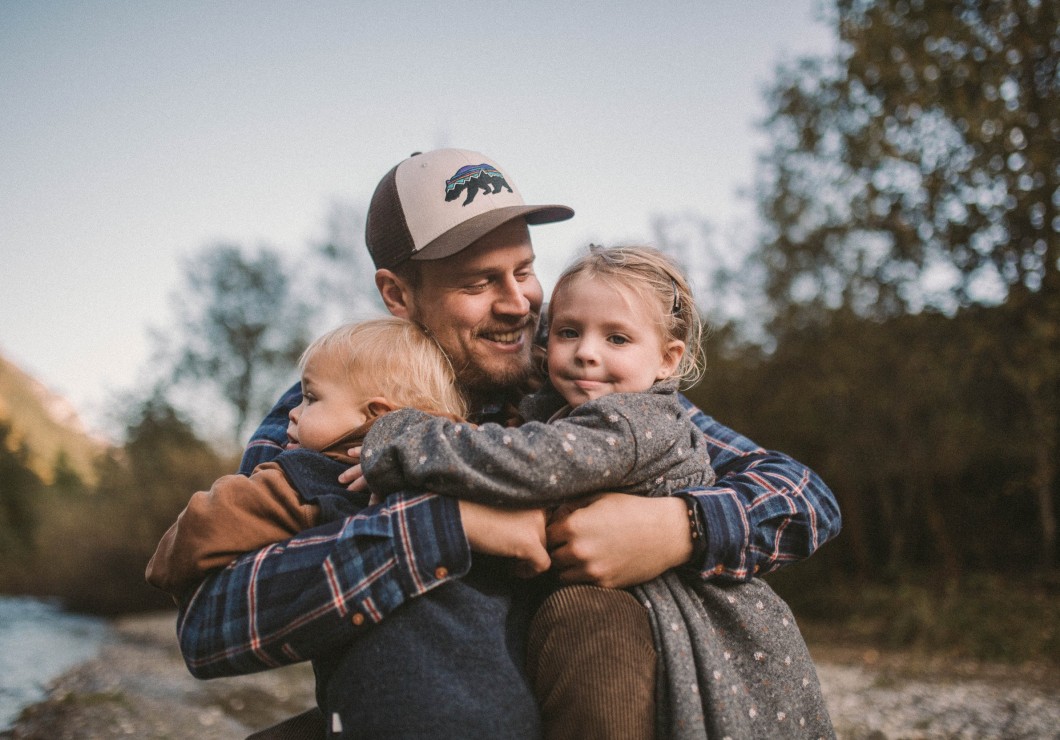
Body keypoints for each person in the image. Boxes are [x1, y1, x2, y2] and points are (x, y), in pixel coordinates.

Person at [168, 148, 841, 739]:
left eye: (524, 269)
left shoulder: (577, 381)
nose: (519, 302)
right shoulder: (328, 410)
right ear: (398, 294)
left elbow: (803, 495)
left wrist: (679, 527)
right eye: (479, 282)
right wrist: (444, 527)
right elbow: (213, 623)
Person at [356, 245, 833, 737]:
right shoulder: (551, 400)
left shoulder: (631, 418)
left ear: (668, 360)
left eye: (617, 338)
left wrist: (403, 439)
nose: (586, 351)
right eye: (568, 332)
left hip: (689, 615)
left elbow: (536, 461)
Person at [146, 318, 549, 600]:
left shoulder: (304, 476)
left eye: (310, 398)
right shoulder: (471, 457)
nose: (292, 411)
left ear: (375, 415)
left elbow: (202, 530)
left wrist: (163, 568)